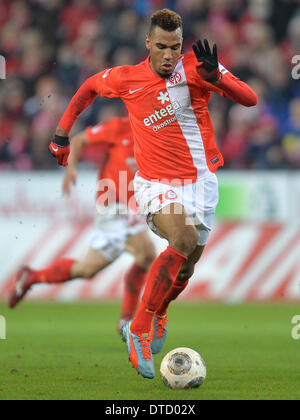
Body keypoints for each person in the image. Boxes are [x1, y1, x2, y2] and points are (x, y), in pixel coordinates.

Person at [48, 8, 257, 379]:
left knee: (188, 264)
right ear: (148, 42)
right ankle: (139, 328)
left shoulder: (197, 68)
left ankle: (159, 313)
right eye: (161, 46)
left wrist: (217, 77)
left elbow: (249, 98)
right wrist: (62, 133)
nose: (168, 55)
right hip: (155, 184)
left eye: (175, 47)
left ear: (182, 45)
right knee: (183, 237)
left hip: (202, 183)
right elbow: (89, 88)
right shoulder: (127, 78)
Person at [8, 115, 156, 334]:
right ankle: (128, 319)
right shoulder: (120, 127)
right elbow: (78, 140)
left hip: (129, 207)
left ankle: (31, 276)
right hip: (112, 205)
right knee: (146, 253)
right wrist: (71, 169)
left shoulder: (157, 135)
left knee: (87, 269)